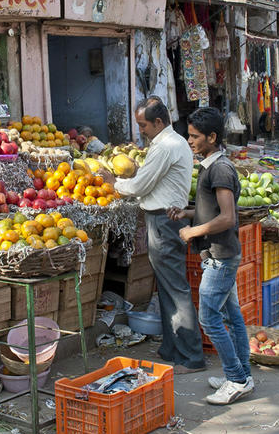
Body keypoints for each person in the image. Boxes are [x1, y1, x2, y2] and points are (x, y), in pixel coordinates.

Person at [102, 96, 206, 373]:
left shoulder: (167, 146)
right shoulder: (171, 143)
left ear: (159, 122)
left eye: (143, 125)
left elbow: (140, 185)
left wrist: (114, 183)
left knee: (175, 288)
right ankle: (173, 350)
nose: (141, 131)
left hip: (164, 220)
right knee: (168, 287)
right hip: (163, 218)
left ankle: (192, 357)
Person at [167, 108, 254, 404]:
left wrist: (193, 231)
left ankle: (236, 378)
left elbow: (228, 217)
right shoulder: (210, 166)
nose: (189, 140)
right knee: (232, 316)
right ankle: (243, 374)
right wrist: (188, 213)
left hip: (220, 255)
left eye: (194, 136)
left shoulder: (220, 169)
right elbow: (213, 211)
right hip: (220, 252)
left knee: (209, 318)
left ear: (212, 137)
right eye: (189, 135)